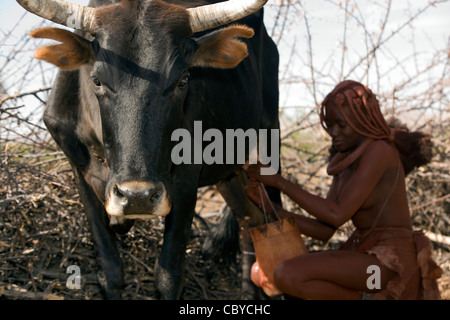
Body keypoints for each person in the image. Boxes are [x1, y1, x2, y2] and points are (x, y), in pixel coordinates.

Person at [245, 80, 442, 300]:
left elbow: (336, 214)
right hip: (365, 259)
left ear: (360, 121)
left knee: (287, 274)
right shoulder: (345, 159)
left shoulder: (379, 151)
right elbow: (324, 231)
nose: (334, 132)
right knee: (264, 273)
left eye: (341, 125)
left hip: (388, 267)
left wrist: (280, 182)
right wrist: (272, 209)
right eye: (330, 125)